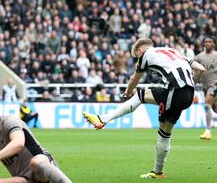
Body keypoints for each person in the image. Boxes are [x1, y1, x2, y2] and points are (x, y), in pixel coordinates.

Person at [83, 38, 206, 179]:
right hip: (188, 94)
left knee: (140, 94)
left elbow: (134, 79)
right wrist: (189, 86)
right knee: (164, 132)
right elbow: (201, 69)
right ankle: (157, 172)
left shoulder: (146, 54)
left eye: (136, 55)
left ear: (139, 50)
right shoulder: (174, 51)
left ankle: (102, 119)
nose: (137, 58)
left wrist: (128, 91)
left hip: (175, 91)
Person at [0, 94, 72, 183]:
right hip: (25, 178)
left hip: (42, 171)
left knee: (36, 162)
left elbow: (19, 143)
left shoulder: (9, 122)